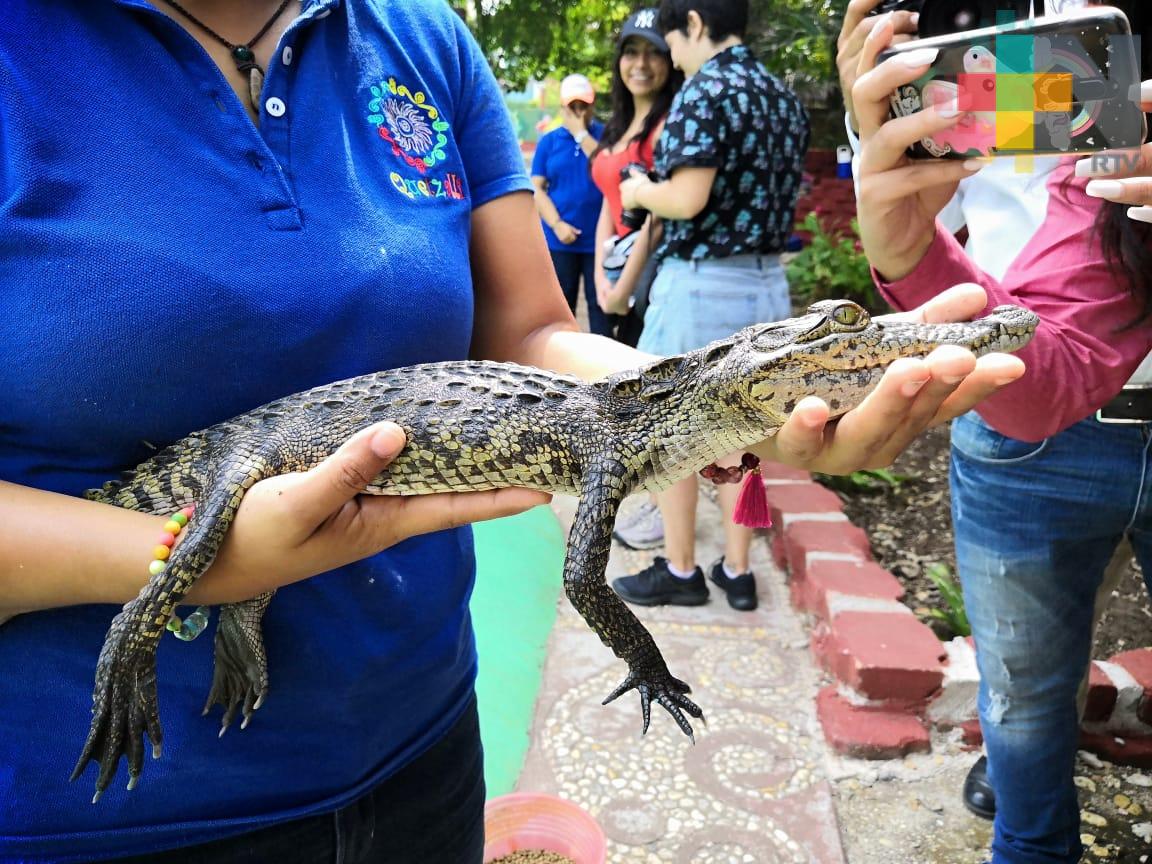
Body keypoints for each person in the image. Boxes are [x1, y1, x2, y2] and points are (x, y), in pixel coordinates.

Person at [0, 1, 1028, 862]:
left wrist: (782, 423)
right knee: (199, 541)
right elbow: (585, 583)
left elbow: (536, 330)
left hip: (418, 745)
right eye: (834, 338)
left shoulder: (420, 37)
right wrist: (202, 563)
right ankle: (134, 654)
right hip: (100, 813)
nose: (858, 343)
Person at [848, 6, 1152, 861]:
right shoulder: (1070, 61)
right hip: (1029, 411)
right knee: (1024, 692)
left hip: (1030, 374)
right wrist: (912, 249)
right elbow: (1045, 361)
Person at [610, 0, 810, 613]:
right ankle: (739, 571)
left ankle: (680, 569)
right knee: (746, 436)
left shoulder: (704, 91)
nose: (670, 55)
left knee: (671, 433)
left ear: (695, 23)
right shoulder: (781, 95)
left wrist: (641, 189)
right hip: (766, 287)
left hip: (701, 288)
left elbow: (688, 198)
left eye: (672, 39)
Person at [589, 7, 684, 547]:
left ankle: (656, 507)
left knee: (650, 393)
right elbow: (609, 198)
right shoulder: (615, 125)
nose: (641, 64)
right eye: (631, 51)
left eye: (652, 52)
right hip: (613, 270)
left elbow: (655, 215)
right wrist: (604, 274)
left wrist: (622, 287)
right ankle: (637, 496)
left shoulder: (669, 126)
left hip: (647, 277)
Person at [531, 74, 611, 335]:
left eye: (583, 106)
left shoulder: (606, 136)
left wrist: (580, 134)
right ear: (563, 108)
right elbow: (537, 189)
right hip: (560, 239)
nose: (578, 112)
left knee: (601, 309)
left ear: (592, 106)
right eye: (572, 107)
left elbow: (606, 166)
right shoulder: (549, 142)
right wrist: (556, 224)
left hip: (598, 241)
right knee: (562, 309)